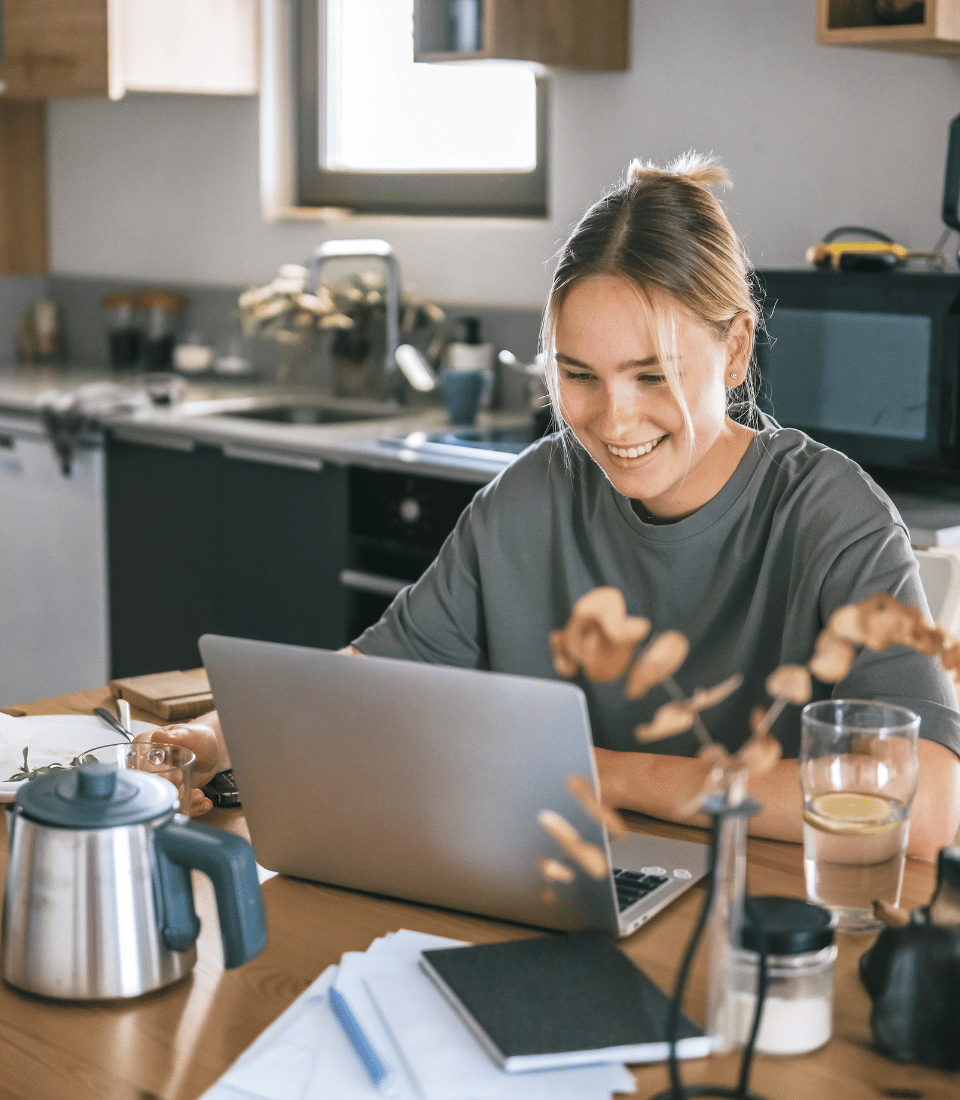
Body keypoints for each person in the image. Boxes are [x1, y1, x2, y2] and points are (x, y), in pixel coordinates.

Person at [150, 153, 960, 859]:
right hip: (557, 883)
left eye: (652, 376)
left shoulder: (832, 513)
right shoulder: (536, 492)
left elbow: (926, 803)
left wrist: (605, 773)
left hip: (762, 922)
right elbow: (368, 683)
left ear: (736, 347)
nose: (615, 422)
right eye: (580, 375)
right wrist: (214, 738)